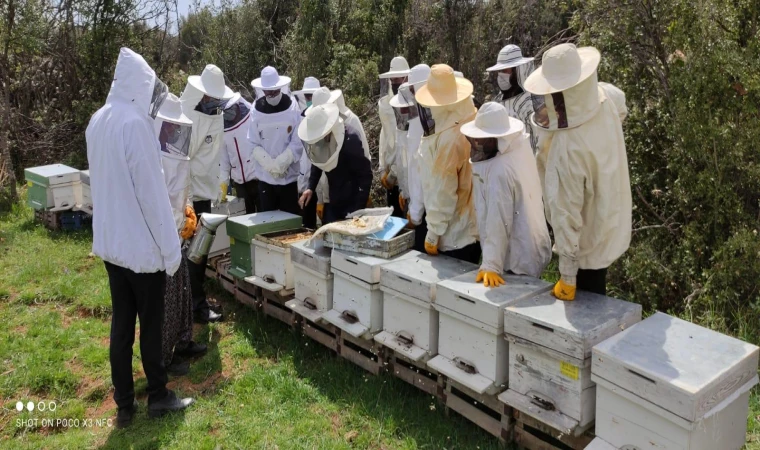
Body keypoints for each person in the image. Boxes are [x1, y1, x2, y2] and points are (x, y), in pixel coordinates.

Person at [86, 48, 194, 428]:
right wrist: (170, 253)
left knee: (120, 325)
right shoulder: (135, 126)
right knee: (149, 326)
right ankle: (159, 395)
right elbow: (153, 199)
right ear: (139, 87)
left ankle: (124, 403)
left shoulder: (97, 121)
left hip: (112, 246)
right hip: (141, 249)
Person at [524, 43, 632, 300]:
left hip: (582, 243)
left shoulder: (567, 147)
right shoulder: (607, 96)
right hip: (609, 218)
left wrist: (568, 276)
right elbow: (621, 110)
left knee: (589, 307)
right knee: (599, 287)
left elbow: (565, 213)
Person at [460, 102, 552, 286]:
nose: (478, 143)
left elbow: (498, 218)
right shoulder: (518, 146)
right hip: (530, 243)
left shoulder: (500, 170)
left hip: (519, 257)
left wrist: (491, 265)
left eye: (483, 139)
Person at [154, 94, 209, 377]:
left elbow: (178, 193)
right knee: (168, 301)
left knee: (184, 291)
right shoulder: (152, 159)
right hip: (163, 241)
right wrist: (178, 221)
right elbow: (158, 202)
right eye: (170, 126)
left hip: (177, 235)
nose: (174, 132)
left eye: (178, 127)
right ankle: (165, 357)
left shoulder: (172, 154)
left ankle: (184, 341)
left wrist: (186, 212)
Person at [181, 64, 233, 324]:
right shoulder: (188, 116)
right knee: (193, 255)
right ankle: (195, 308)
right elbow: (181, 162)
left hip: (203, 194)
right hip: (189, 198)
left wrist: (222, 181)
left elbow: (214, 153)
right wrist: (187, 203)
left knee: (198, 255)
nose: (214, 101)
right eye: (211, 96)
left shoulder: (213, 113)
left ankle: (192, 304)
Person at [413, 64, 480, 264]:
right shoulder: (470, 118)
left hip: (453, 236)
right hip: (472, 228)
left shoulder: (449, 140)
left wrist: (433, 232)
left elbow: (442, 190)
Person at [298, 104, 373, 224]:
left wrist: (357, 210)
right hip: (334, 199)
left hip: (353, 201)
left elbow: (365, 175)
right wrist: (310, 188)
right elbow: (317, 161)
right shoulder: (321, 141)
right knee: (329, 237)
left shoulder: (350, 140)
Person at [249, 66, 303, 216]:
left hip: (289, 181)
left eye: (275, 91)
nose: (272, 94)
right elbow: (253, 143)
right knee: (268, 227)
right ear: (262, 90)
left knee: (290, 228)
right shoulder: (255, 110)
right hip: (266, 181)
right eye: (268, 92)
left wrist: (282, 162)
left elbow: (298, 139)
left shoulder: (292, 106)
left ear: (281, 87)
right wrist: (270, 166)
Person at [389, 64, 431, 252]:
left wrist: (415, 213)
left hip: (429, 210)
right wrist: (405, 193)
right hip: (418, 204)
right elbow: (408, 167)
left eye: (414, 89)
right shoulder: (416, 122)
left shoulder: (427, 122)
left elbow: (420, 171)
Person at [486, 45, 538, 151]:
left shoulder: (529, 101)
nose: (501, 75)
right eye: (500, 71)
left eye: (505, 71)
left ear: (517, 71)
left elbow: (537, 137)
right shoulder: (498, 99)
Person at [378, 56, 411, 217]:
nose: (394, 82)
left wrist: (395, 173)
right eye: (392, 79)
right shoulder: (387, 104)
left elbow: (407, 143)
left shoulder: (412, 107)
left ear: (406, 79)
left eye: (397, 79)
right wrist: (382, 168)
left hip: (407, 179)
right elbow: (385, 135)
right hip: (390, 177)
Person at [220, 93, 258, 214]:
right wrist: (223, 185)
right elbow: (224, 161)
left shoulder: (251, 120)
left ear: (237, 106)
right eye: (225, 111)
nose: (228, 113)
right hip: (239, 183)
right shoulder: (223, 131)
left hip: (257, 178)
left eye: (230, 109)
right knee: (245, 218)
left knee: (263, 216)